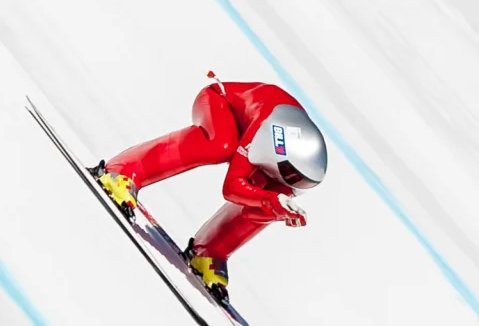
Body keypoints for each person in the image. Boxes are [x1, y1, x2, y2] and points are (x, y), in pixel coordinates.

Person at [93, 74, 328, 296]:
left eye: (300, 182)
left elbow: (265, 198)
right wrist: (268, 200)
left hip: (257, 129)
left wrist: (276, 208)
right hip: (219, 101)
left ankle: (211, 250)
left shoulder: (291, 161)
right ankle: (124, 170)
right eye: (290, 174)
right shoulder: (267, 132)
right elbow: (232, 187)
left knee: (275, 196)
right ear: (281, 149)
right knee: (221, 145)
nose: (292, 183)